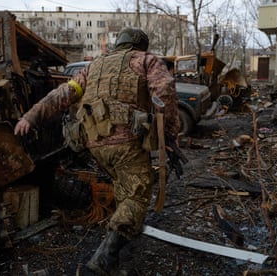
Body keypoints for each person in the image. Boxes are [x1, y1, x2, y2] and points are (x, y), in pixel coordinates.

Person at [14, 27, 179, 275]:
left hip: (95, 144)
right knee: (138, 193)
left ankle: (119, 256)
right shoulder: (146, 60)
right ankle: (103, 260)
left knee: (125, 190)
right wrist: (169, 134)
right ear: (140, 45)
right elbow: (164, 92)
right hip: (127, 142)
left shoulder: (93, 68)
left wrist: (31, 116)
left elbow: (63, 93)